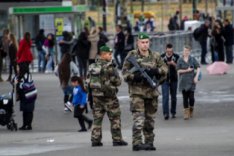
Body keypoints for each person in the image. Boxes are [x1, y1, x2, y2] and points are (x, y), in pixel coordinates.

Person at [122, 32, 168, 151]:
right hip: (137, 93)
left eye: (147, 42)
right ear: (138, 43)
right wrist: (135, 77)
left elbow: (165, 70)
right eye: (142, 42)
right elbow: (125, 74)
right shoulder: (131, 55)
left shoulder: (156, 56)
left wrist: (156, 71)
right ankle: (137, 143)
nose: (145, 45)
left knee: (150, 119)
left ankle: (149, 142)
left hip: (151, 92)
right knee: (139, 118)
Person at [87, 45, 128, 147]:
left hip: (96, 97)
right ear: (103, 55)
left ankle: (95, 140)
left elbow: (87, 82)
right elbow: (118, 82)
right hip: (110, 98)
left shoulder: (92, 67)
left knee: (97, 119)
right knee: (115, 118)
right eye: (109, 54)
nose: (111, 56)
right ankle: (117, 139)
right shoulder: (110, 67)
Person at [176, 45, 201, 120]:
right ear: (183, 51)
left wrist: (196, 77)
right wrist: (187, 70)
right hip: (183, 81)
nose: (185, 52)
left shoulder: (192, 59)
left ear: (189, 52)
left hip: (191, 81)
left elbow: (198, 67)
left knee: (191, 98)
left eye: (187, 51)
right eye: (184, 51)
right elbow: (178, 70)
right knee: (185, 98)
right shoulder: (180, 60)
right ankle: (186, 113)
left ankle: (191, 108)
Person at [161, 43, 180, 120]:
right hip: (164, 79)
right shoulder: (161, 57)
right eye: (168, 51)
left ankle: (173, 112)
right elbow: (158, 67)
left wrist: (173, 64)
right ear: (166, 50)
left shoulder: (176, 56)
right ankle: (165, 113)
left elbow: (179, 67)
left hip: (174, 79)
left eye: (171, 51)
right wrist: (165, 65)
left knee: (174, 97)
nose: (169, 53)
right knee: (165, 97)